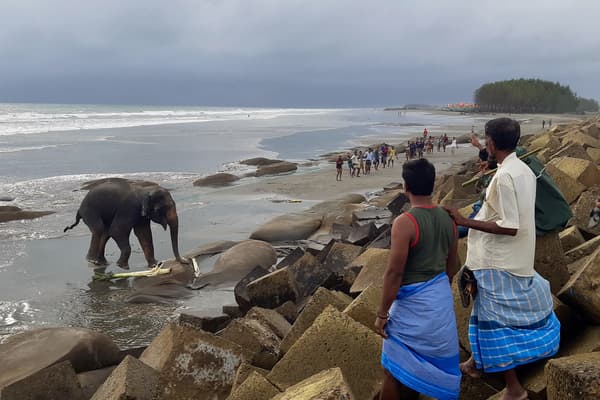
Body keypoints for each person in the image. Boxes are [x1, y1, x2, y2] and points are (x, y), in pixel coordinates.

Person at [445, 118, 560, 400]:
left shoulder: (506, 176)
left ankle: (514, 389)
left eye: (486, 141)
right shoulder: (521, 168)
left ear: (492, 143)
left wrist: (464, 222)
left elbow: (510, 226)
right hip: (510, 259)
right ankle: (475, 364)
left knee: (496, 324)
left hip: (498, 263)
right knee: (482, 314)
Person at [375, 158, 460, 400]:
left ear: (406, 187)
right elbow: (451, 264)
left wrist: (382, 315)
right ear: (432, 184)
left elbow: (394, 273)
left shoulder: (405, 222)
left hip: (412, 309)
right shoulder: (449, 220)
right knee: (431, 366)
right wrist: (436, 292)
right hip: (439, 304)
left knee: (392, 368)